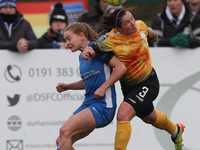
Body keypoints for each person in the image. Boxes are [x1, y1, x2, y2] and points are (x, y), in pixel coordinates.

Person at [81, 8, 185, 150]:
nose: (132, 23)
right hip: (129, 88)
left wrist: (153, 35)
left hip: (148, 81)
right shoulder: (111, 40)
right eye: (127, 22)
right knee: (151, 118)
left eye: (132, 18)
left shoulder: (140, 25)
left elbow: (150, 32)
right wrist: (86, 53)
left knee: (123, 114)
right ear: (118, 28)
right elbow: (92, 49)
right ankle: (176, 131)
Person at [55, 22, 127, 150]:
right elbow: (88, 81)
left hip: (103, 106)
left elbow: (121, 67)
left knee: (64, 131)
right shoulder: (81, 57)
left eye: (69, 39)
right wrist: (68, 86)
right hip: (88, 104)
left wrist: (104, 87)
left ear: (81, 36)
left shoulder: (98, 48)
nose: (67, 44)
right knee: (61, 140)